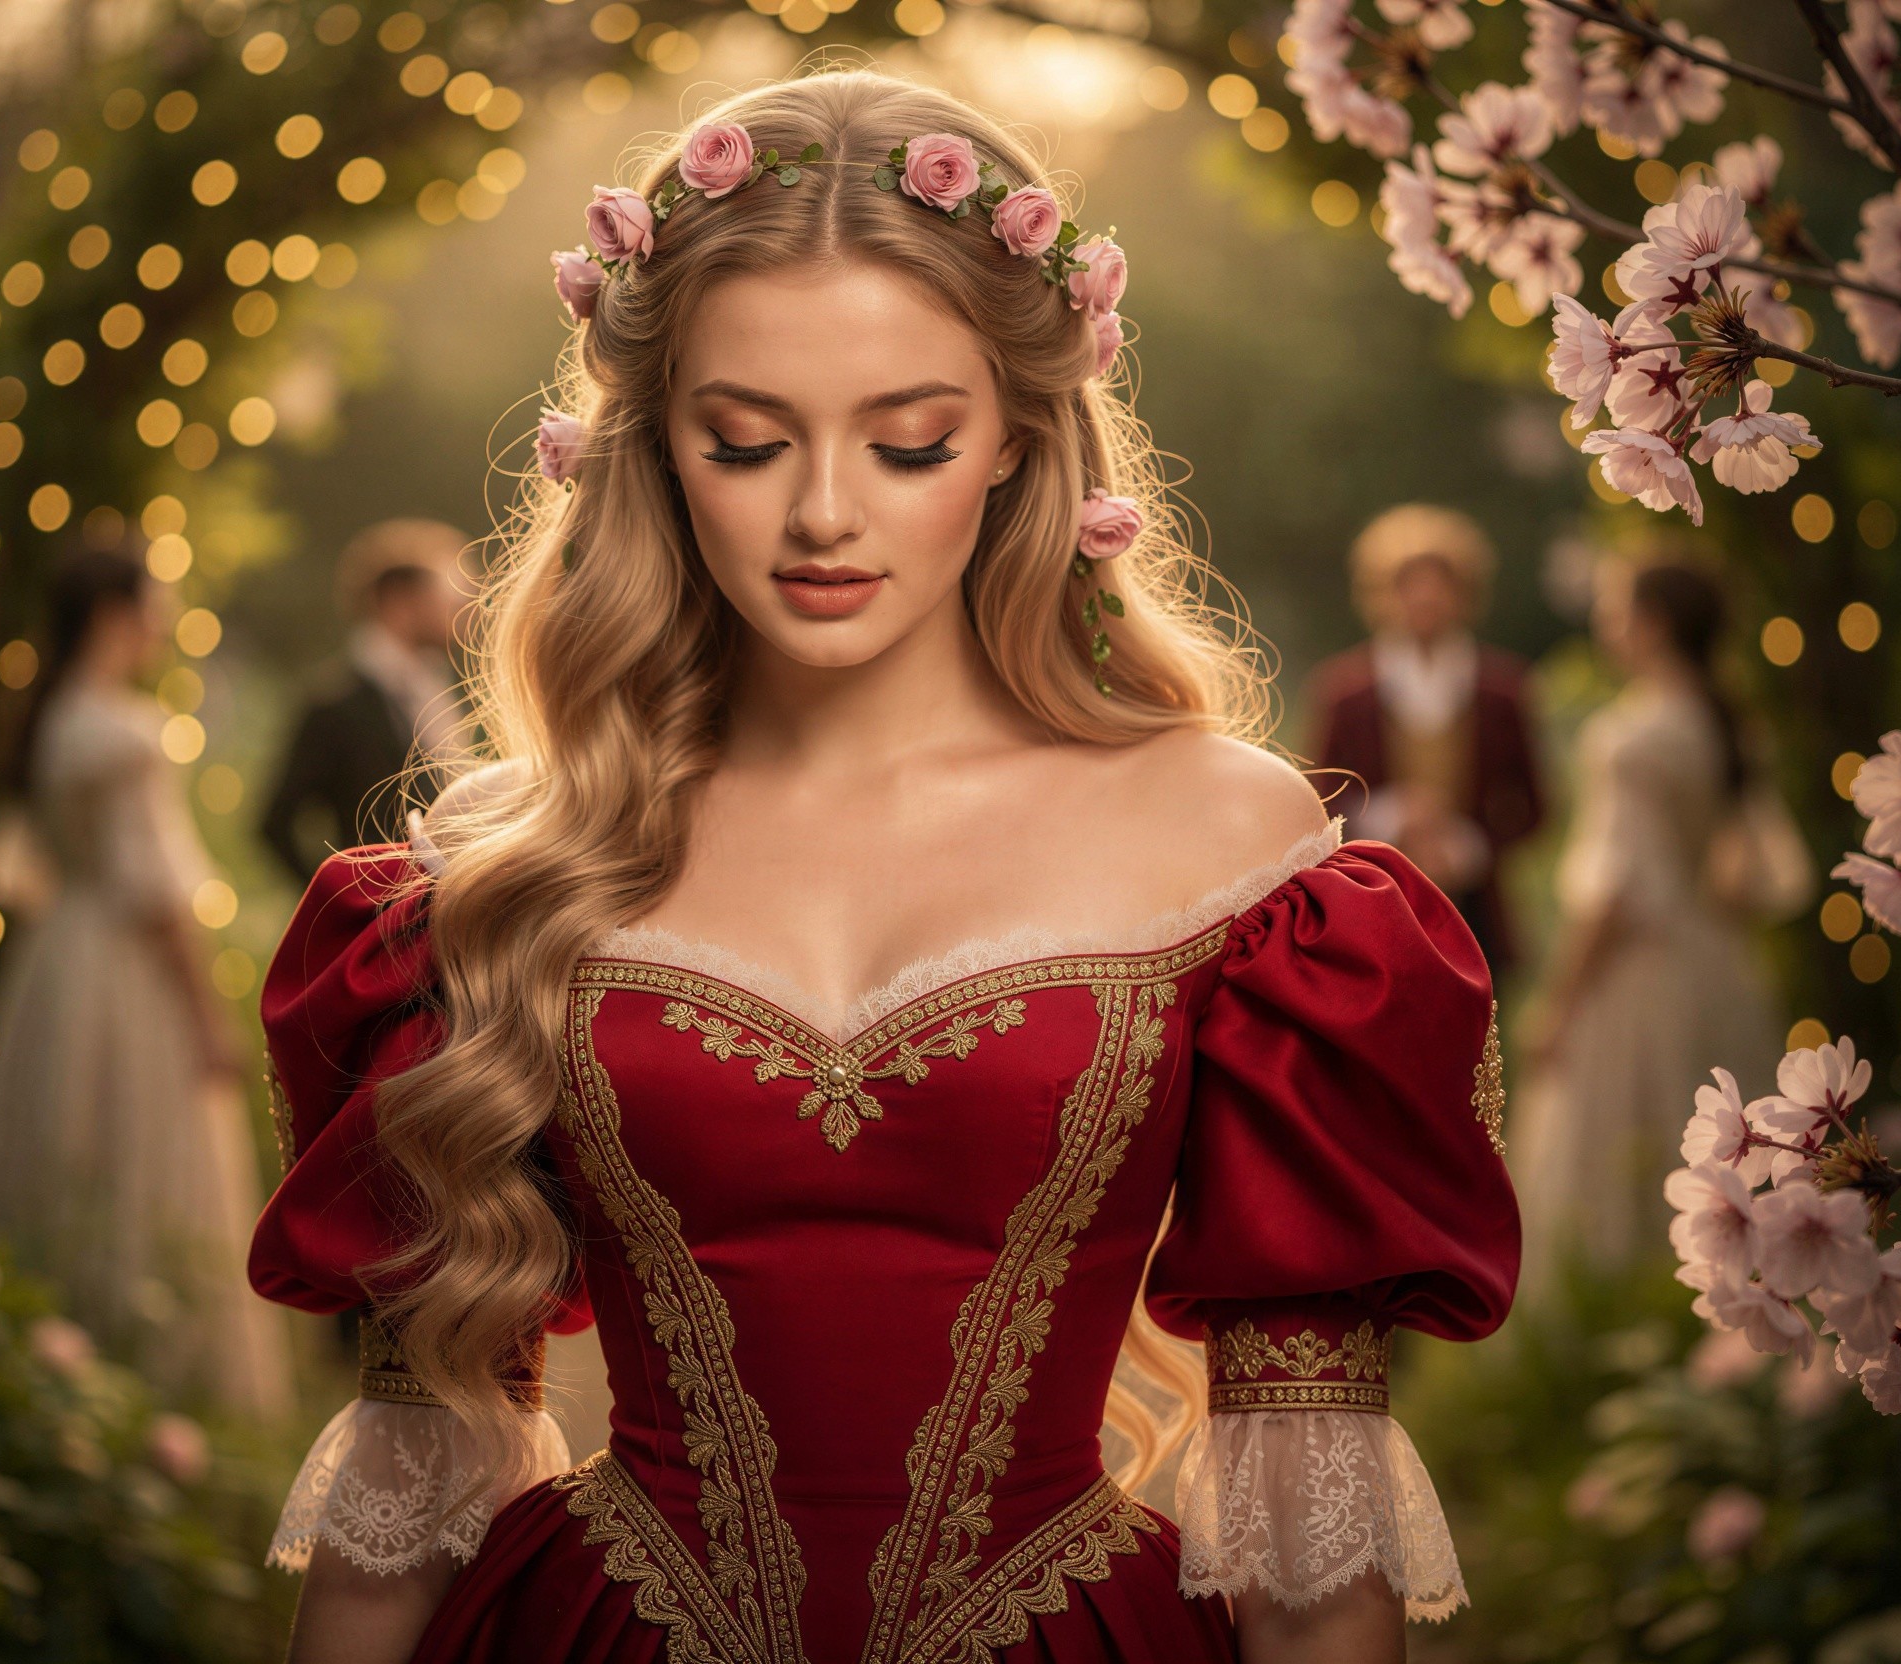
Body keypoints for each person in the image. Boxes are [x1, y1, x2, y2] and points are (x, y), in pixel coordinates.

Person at [249, 74, 1519, 1664]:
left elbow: (1312, 1549)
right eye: (744, 441)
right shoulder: (510, 859)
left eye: (911, 442)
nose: (825, 516)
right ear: (655, 447)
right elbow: (406, 1496)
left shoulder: (1233, 850)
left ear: (1017, 440)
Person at [0, 550, 292, 1415]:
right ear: (111, 613)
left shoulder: (52, 715)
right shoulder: (128, 733)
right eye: (151, 606)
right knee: (142, 1147)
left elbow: (25, 871)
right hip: (126, 966)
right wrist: (207, 1018)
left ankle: (27, 1347)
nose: (159, 625)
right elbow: (156, 893)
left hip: (57, 957)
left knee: (58, 1138)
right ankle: (138, 1367)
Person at [1511, 554, 1808, 1278]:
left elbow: (1617, 887)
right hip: (1715, 963)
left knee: (1618, 1157)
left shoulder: (1637, 736)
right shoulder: (1719, 719)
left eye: (1616, 609)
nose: (1606, 624)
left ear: (1655, 624)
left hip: (1639, 973)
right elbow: (1745, 874)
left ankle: (1617, 1310)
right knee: (1713, 1152)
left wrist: (1561, 1003)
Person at [1309, 505, 1545, 971]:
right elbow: (1319, 797)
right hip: (1376, 901)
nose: (1424, 597)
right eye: (1407, 585)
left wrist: (1471, 845)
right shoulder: (1345, 692)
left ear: (1465, 593)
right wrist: (1388, 817)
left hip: (1476, 908)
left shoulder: (1502, 691)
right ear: (1381, 594)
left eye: (1440, 584)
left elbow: (1535, 806)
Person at [259, 519, 473, 884]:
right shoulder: (335, 704)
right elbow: (276, 823)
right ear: (398, 602)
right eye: (445, 596)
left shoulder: (436, 692)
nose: (461, 608)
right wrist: (339, 898)